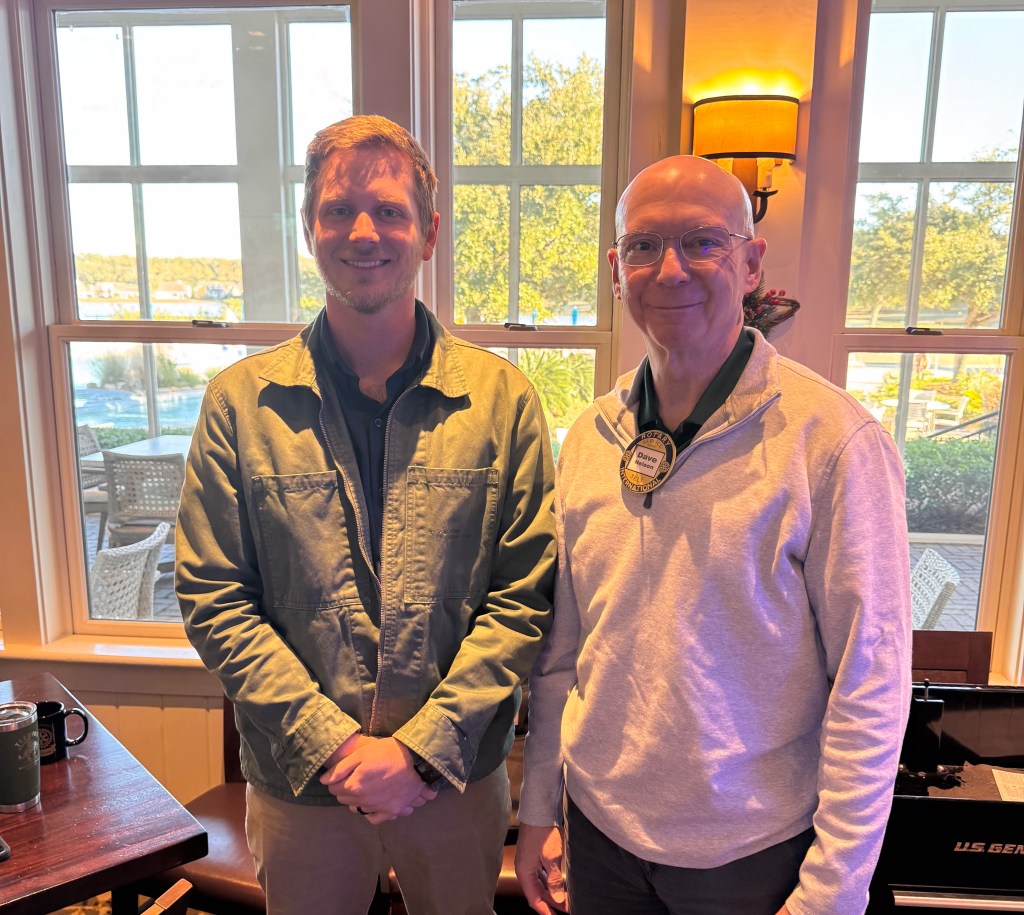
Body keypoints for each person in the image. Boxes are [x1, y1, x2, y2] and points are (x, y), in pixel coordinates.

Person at [176, 114, 556, 915]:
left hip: (454, 786)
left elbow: (523, 598)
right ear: (309, 226)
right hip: (300, 787)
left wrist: (418, 755)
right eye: (339, 209)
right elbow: (215, 597)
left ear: (428, 233)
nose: (363, 231)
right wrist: (335, 745)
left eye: (388, 210)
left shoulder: (503, 402)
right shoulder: (240, 406)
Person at [514, 155, 911, 915]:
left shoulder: (833, 443)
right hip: (600, 836)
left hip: (753, 855)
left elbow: (872, 684)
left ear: (752, 260)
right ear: (615, 267)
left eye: (702, 242)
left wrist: (832, 893)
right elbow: (562, 653)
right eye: (643, 246)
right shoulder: (589, 439)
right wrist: (540, 807)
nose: (669, 270)